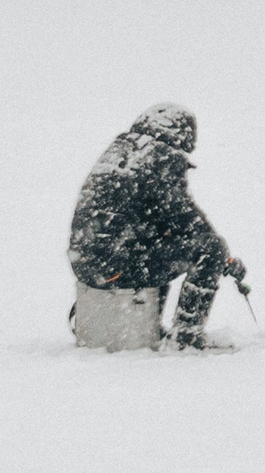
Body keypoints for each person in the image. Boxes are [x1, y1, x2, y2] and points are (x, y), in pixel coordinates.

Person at [67, 102, 244, 350]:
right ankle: (187, 333)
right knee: (211, 247)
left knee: (154, 238)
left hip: (88, 267)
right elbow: (186, 218)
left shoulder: (120, 151)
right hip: (119, 267)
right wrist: (224, 258)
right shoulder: (161, 156)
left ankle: (146, 324)